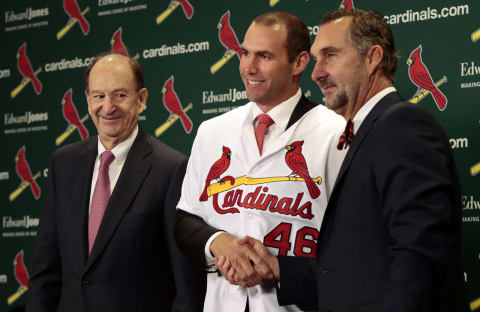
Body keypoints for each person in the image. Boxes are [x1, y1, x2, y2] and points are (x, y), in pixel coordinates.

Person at [221, 9, 467, 311]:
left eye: (331, 55)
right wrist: (277, 268)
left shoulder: (402, 126)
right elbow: (359, 267)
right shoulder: (367, 131)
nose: (316, 72)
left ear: (372, 57)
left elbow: (418, 260)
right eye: (316, 58)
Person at [174, 11, 346, 312]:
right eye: (244, 53)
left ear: (300, 62)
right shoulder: (212, 131)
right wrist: (217, 242)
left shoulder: (335, 133)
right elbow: (185, 220)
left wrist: (276, 267)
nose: (249, 67)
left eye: (264, 56)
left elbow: (351, 251)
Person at [27, 52, 205, 312]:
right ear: (88, 101)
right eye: (99, 96)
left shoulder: (171, 168)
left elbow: (186, 285)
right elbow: (45, 270)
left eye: (120, 95)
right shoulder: (63, 163)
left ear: (141, 99)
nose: (108, 107)